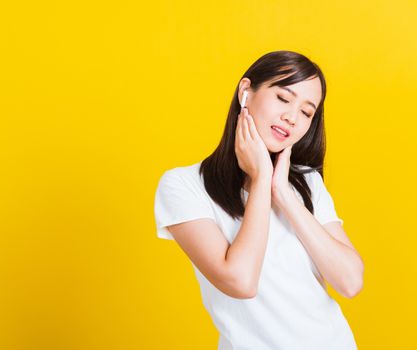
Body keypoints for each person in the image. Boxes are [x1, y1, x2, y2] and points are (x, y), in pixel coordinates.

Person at [153, 50, 364, 350]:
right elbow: (241, 281)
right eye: (283, 98)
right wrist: (262, 178)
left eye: (306, 112)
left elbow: (350, 282)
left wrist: (285, 196)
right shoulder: (184, 186)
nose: (292, 117)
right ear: (245, 92)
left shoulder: (307, 183)